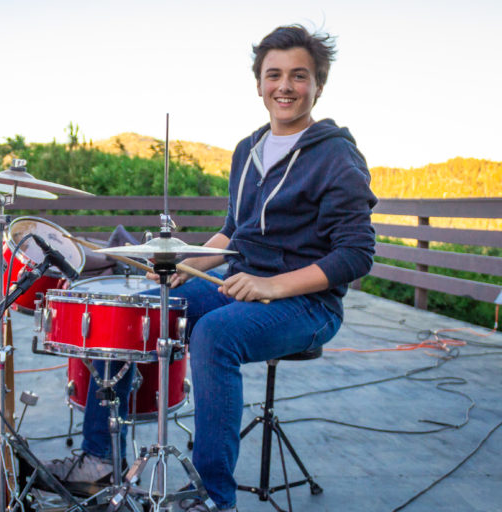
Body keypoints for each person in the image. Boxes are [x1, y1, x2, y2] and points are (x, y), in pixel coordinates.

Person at [44, 24, 377, 512]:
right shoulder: (248, 150)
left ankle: (212, 497)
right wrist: (186, 265)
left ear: (318, 85)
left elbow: (356, 255)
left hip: (308, 304)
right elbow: (234, 232)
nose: (285, 86)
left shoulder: (336, 156)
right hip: (242, 282)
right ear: (259, 84)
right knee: (134, 306)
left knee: (214, 336)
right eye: (274, 75)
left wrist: (273, 285)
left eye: (299, 76)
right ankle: (100, 460)